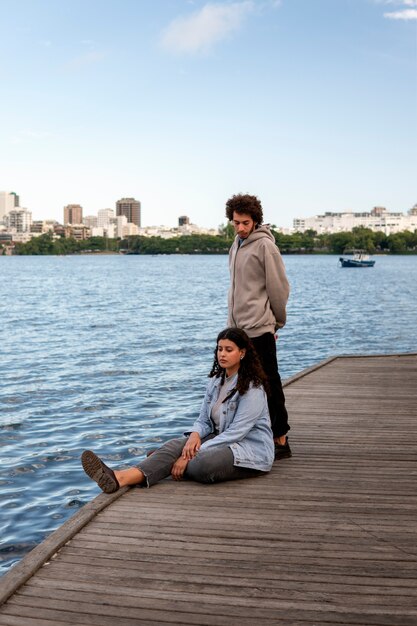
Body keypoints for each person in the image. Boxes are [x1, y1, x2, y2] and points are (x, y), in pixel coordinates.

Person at [81, 328, 274, 493]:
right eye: (219, 349)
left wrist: (185, 456)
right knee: (176, 444)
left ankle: (163, 461)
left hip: (248, 450)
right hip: (219, 438)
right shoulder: (216, 382)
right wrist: (195, 436)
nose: (222, 354)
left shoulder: (252, 388)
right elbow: (204, 420)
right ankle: (120, 478)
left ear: (242, 353)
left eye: (228, 350)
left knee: (202, 464)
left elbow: (236, 433)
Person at [225, 193, 291, 459]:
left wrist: (276, 323)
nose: (240, 228)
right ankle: (248, 435)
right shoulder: (236, 245)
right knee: (240, 385)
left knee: (270, 384)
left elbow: (279, 288)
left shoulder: (265, 246)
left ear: (255, 221)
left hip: (261, 328)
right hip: (238, 330)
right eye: (236, 223)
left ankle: (281, 439)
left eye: (245, 223)